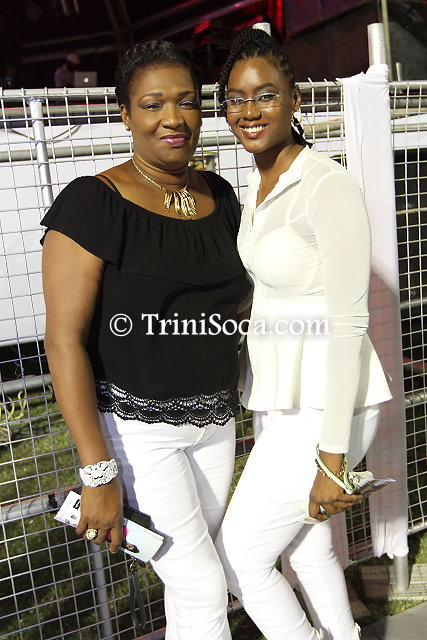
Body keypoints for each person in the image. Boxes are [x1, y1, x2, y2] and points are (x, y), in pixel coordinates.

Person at [42, 40, 250, 640]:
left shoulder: (220, 196)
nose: (172, 118)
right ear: (126, 114)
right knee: (203, 584)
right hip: (137, 432)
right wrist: (97, 471)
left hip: (215, 421)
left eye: (186, 101)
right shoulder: (93, 203)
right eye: (153, 104)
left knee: (191, 584)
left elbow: (234, 302)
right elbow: (63, 341)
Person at [214, 28, 392, 640]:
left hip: (326, 407)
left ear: (294, 99)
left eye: (266, 94)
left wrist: (332, 459)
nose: (250, 110)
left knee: (240, 556)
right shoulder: (258, 185)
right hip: (280, 399)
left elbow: (348, 324)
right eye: (236, 98)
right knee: (309, 551)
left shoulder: (325, 184)